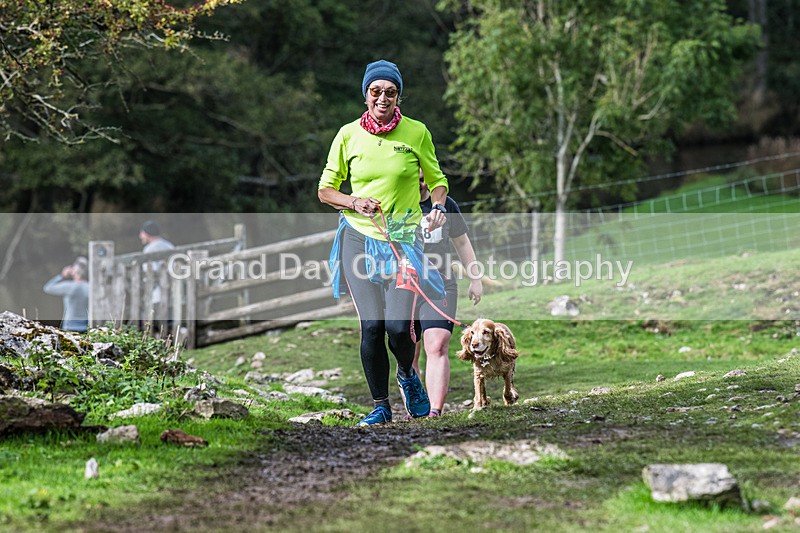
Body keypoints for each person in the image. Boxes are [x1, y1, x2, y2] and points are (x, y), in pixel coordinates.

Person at [318, 59, 450, 426]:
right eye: (375, 91)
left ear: (398, 97)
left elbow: (437, 180)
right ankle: (380, 406)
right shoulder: (347, 135)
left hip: (403, 241)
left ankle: (407, 374)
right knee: (373, 327)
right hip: (359, 239)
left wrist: (438, 206)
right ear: (365, 95)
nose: (382, 98)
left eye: (390, 92)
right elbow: (326, 190)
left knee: (397, 327)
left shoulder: (416, 132)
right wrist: (353, 201)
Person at [412, 171, 483, 417]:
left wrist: (475, 279)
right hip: (405, 285)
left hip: (440, 283)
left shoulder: (446, 205)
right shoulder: (395, 203)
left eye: (426, 179)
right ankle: (415, 407)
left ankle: (434, 410)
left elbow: (462, 242)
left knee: (437, 344)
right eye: (416, 178)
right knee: (409, 351)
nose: (422, 184)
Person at [43, 256, 89, 333]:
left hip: (70, 326)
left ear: (74, 272)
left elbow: (47, 288)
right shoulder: (91, 287)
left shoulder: (69, 287)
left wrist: (62, 275)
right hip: (86, 326)